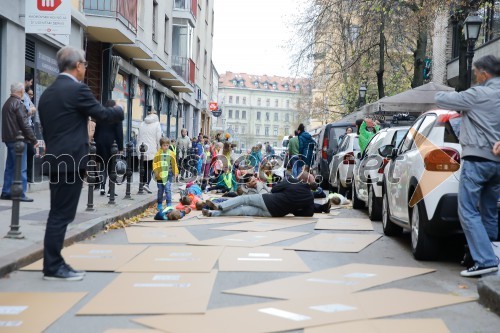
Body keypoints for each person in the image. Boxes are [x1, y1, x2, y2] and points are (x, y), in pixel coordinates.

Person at [38, 46, 124, 281]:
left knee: (57, 213)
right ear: (77, 66)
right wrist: (119, 110)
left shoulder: (47, 93)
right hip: (71, 161)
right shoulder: (77, 90)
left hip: (55, 159)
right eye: (85, 64)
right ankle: (53, 266)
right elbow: (102, 114)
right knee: (62, 215)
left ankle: (54, 262)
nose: (86, 68)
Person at [435, 54, 500, 277]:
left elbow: (443, 100)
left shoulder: (479, 93)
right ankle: (489, 255)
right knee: (489, 211)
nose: (475, 76)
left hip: (477, 160)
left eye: (475, 72)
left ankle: (485, 260)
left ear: (484, 72)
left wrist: (437, 91)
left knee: (468, 210)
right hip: (497, 163)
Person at [202, 177, 314, 218]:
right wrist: (294, 210)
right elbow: (309, 213)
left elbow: (275, 189)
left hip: (268, 200)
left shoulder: (294, 182)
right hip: (275, 214)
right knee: (242, 211)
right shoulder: (310, 198)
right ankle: (212, 214)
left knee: (243, 200)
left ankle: (220, 206)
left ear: (305, 181)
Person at [1, 82, 38, 201]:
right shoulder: (18, 104)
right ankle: (21, 194)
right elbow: (25, 125)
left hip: (9, 139)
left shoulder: (7, 103)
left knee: (10, 166)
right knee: (21, 167)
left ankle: (6, 192)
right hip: (19, 140)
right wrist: (34, 140)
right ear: (21, 92)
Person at [93, 99, 124, 196]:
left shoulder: (101, 116)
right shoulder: (116, 117)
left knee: (102, 165)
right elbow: (119, 133)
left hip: (100, 143)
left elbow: (96, 131)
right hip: (112, 144)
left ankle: (102, 187)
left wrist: (95, 142)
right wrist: (121, 147)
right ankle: (111, 190)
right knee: (111, 167)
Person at [136, 107, 162, 194]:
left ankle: (142, 184)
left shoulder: (142, 123)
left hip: (142, 148)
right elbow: (159, 139)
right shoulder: (157, 124)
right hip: (152, 148)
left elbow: (138, 137)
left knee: (142, 167)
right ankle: (146, 184)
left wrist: (137, 148)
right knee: (150, 167)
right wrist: (159, 150)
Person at [152, 137, 178, 211]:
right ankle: (159, 203)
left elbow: (174, 164)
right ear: (161, 145)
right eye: (164, 145)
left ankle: (169, 203)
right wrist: (156, 172)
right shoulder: (158, 153)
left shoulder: (171, 153)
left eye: (167, 145)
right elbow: (155, 163)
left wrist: (175, 172)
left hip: (168, 174)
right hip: (160, 175)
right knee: (160, 190)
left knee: (167, 189)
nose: (166, 147)